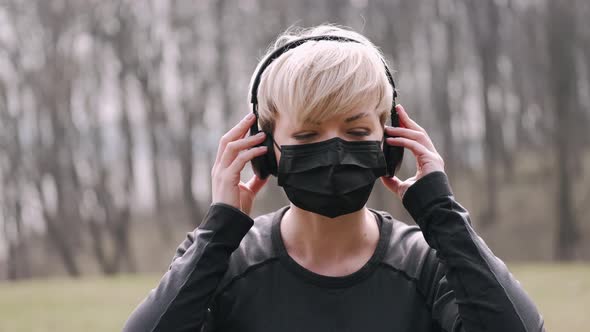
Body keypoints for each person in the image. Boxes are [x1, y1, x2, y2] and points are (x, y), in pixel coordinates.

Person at [122, 25, 545, 332]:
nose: (336, 149)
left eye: (357, 132)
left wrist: (441, 213)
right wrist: (218, 228)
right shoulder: (225, 261)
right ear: (265, 152)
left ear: (390, 143)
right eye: (308, 134)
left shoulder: (429, 263)